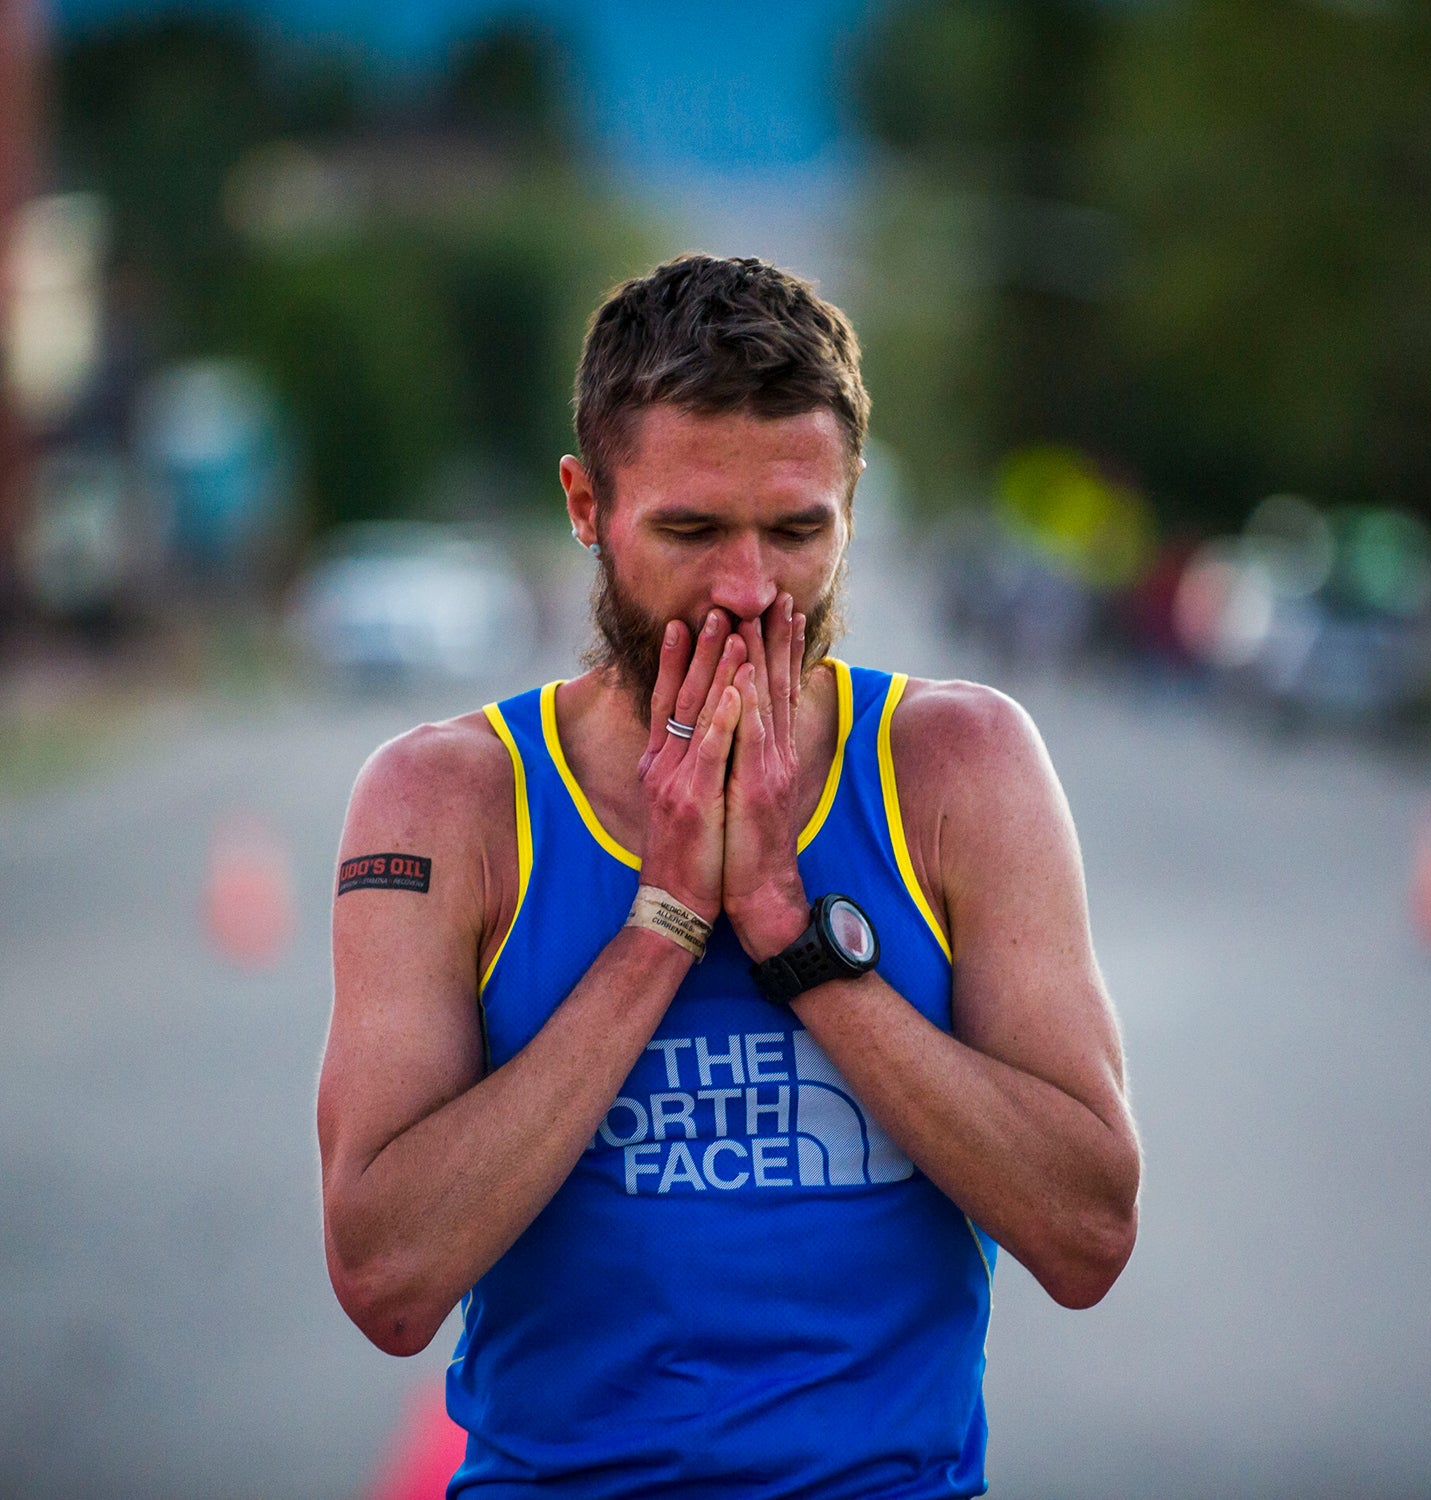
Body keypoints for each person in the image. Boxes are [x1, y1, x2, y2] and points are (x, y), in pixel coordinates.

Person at [318, 253, 1140, 1499]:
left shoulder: (962, 768)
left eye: (798, 530)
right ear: (587, 506)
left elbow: (1088, 1238)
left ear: (852, 502)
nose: (752, 590)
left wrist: (793, 938)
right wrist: (661, 925)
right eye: (693, 530)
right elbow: (385, 1280)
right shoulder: (447, 802)